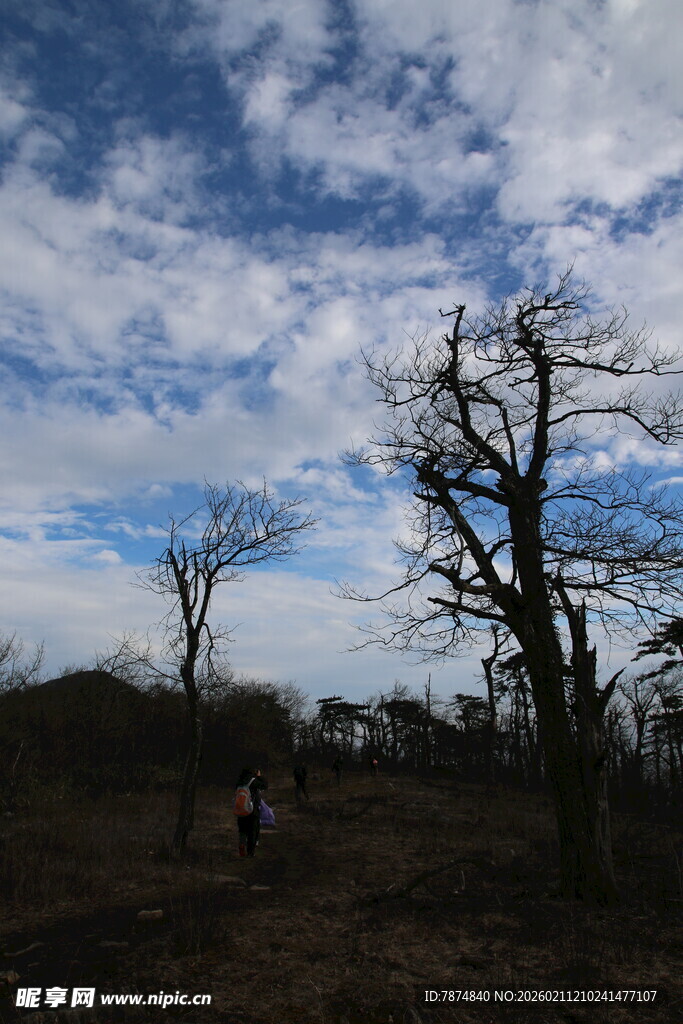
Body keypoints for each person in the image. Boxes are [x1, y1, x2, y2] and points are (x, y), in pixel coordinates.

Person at [235, 766, 267, 857]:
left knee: (242, 830)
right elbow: (265, 785)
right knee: (252, 831)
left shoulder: (239, 782)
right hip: (252, 809)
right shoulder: (253, 781)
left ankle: (242, 844)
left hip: (240, 809)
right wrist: (259, 776)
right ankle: (250, 852)